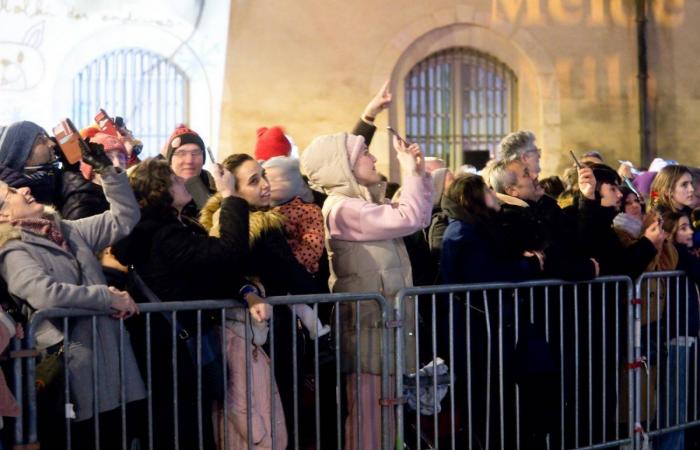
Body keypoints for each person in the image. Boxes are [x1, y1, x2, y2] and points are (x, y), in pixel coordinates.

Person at [112, 158, 267, 450]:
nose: (182, 180)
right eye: (174, 179)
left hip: (172, 348)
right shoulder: (165, 235)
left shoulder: (169, 230)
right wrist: (230, 196)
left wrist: (245, 290)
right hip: (172, 354)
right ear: (160, 191)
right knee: (181, 431)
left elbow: (207, 271)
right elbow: (229, 252)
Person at [0, 141, 145, 450]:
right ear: (3, 217)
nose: (24, 190)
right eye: (12, 194)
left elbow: (124, 218)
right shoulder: (12, 251)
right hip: (74, 370)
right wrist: (107, 297)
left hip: (112, 359)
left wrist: (107, 171)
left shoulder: (66, 229)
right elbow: (44, 294)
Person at [300, 131, 433, 450]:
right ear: (342, 165)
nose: (373, 159)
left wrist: (417, 173)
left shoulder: (359, 204)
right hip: (369, 329)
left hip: (381, 327)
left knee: (388, 414)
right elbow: (410, 216)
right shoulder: (343, 208)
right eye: (365, 153)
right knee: (369, 420)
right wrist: (407, 168)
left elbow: (420, 216)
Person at [199, 153, 321, 448]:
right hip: (268, 333)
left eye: (264, 176)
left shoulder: (225, 224)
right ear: (234, 190)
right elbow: (290, 275)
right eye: (254, 181)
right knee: (275, 414)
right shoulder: (261, 228)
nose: (265, 185)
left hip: (251, 332)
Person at [0, 121, 62, 206]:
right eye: (42, 140)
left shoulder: (48, 178)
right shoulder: (20, 201)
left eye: (47, 138)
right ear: (22, 155)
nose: (52, 143)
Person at [163, 125, 217, 215]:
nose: (189, 161)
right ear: (170, 161)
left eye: (195, 153)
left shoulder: (216, 189)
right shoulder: (158, 191)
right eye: (181, 153)